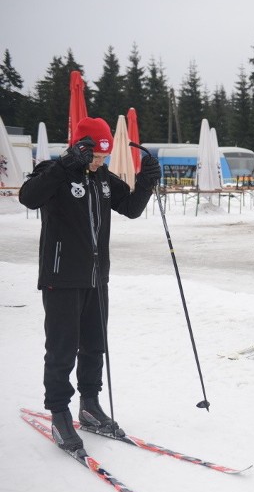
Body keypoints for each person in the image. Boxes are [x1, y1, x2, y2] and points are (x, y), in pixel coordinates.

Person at [19, 117, 161, 455]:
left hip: (97, 277)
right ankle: (59, 413)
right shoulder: (53, 172)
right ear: (81, 147)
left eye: (105, 157)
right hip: (61, 277)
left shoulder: (101, 178)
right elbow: (29, 197)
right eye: (96, 155)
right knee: (62, 349)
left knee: (95, 344)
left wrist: (146, 182)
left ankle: (90, 404)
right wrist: (66, 164)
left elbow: (130, 208)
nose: (101, 162)